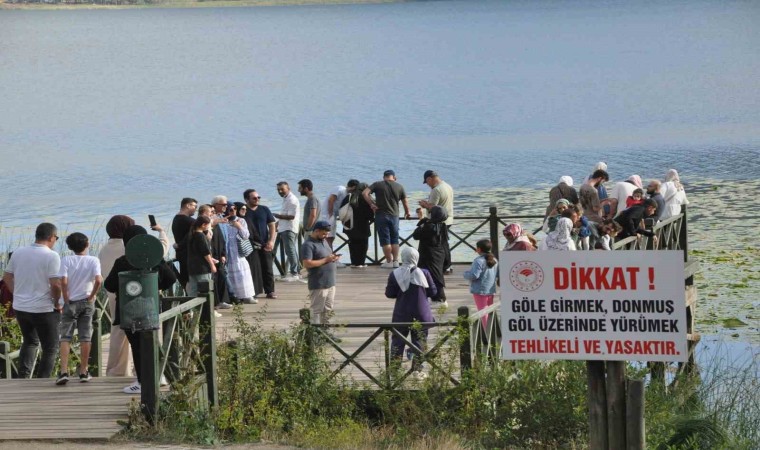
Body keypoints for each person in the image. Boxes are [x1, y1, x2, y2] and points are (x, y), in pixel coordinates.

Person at [104, 225, 177, 394]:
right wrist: (156, 285)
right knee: (152, 342)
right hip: (151, 308)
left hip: (128, 311)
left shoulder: (123, 261)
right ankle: (159, 376)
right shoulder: (155, 259)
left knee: (137, 346)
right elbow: (171, 278)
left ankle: (143, 381)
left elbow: (109, 285)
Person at [2, 223, 62, 379]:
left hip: (21, 307)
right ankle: (43, 380)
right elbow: (55, 284)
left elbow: (7, 277)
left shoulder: (18, 252)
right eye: (56, 237)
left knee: (30, 342)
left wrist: (17, 293)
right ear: (51, 237)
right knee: (50, 347)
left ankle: (23, 377)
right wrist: (57, 302)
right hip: (43, 308)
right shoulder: (51, 255)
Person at [56, 232, 102, 385]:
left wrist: (65, 297)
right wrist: (92, 295)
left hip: (70, 302)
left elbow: (63, 280)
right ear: (87, 244)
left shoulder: (66, 259)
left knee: (65, 336)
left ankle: (63, 371)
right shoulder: (93, 260)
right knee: (85, 336)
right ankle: (83, 371)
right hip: (86, 302)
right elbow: (98, 280)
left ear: (69, 247)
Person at [384, 247, 436, 379]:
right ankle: (417, 370)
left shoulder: (395, 274)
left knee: (397, 341)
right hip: (421, 313)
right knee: (420, 340)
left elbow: (389, 294)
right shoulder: (424, 273)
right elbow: (433, 292)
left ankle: (394, 371)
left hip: (402, 312)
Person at [100, 215, 135, 377]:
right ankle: (141, 368)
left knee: (117, 330)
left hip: (111, 292)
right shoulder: (128, 246)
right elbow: (159, 250)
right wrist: (163, 235)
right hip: (131, 293)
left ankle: (116, 369)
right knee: (137, 330)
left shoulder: (104, 249)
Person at [363, 169, 411, 268]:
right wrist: (407, 212)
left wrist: (371, 204)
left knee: (385, 239)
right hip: (394, 216)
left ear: (384, 177)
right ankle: (396, 261)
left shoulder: (377, 184)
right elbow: (405, 202)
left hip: (381, 215)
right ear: (394, 177)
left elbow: (364, 193)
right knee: (395, 239)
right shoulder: (400, 186)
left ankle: (388, 261)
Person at [300, 220, 341, 325]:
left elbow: (326, 256)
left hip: (330, 282)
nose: (326, 235)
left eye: (327, 233)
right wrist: (326, 260)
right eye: (324, 233)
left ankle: (326, 333)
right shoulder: (308, 245)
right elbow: (307, 263)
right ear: (316, 231)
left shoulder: (324, 241)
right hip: (318, 283)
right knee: (316, 311)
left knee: (328, 309)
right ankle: (315, 334)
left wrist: (333, 258)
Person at [243, 190, 277, 298]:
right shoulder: (243, 210)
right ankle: (254, 291)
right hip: (249, 244)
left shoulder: (264, 209)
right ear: (246, 199)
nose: (257, 199)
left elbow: (272, 225)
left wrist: (271, 241)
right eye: (254, 198)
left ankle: (270, 290)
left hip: (264, 243)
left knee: (267, 267)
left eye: (258, 197)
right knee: (253, 268)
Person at [419, 170, 454, 273]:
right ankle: (447, 265)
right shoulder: (448, 186)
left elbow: (433, 208)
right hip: (448, 218)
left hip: (438, 221)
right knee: (444, 243)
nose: (428, 185)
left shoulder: (436, 190)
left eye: (427, 182)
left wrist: (424, 204)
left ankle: (444, 265)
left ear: (430, 178)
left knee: (439, 244)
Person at [413, 205, 448, 306]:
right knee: (436, 275)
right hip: (440, 253)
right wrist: (422, 219)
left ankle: (440, 299)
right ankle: (435, 298)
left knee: (431, 276)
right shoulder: (442, 225)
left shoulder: (429, 226)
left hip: (429, 254)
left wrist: (422, 223)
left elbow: (416, 235)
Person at [463, 239, 498, 330]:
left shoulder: (478, 261)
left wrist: (465, 274)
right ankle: (493, 330)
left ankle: (487, 333)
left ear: (478, 249)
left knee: (482, 312)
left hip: (480, 290)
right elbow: (497, 274)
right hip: (491, 289)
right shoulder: (494, 260)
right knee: (490, 311)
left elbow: (474, 275)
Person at [224, 203, 256, 304]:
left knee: (242, 273)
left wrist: (239, 226)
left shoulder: (241, 220)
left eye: (235, 208)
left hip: (238, 251)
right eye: (230, 209)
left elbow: (246, 236)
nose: (233, 210)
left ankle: (247, 295)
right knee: (229, 274)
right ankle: (234, 297)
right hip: (227, 251)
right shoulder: (223, 221)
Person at [342, 179, 374, 267]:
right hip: (362, 225)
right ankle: (361, 263)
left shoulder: (348, 197)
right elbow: (370, 212)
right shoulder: (365, 198)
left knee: (352, 244)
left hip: (349, 224)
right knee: (363, 244)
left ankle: (353, 262)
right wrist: (372, 218)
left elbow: (341, 210)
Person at [274, 181, 301, 281]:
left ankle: (295, 273)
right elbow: (286, 213)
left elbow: (291, 216)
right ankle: (296, 271)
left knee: (290, 251)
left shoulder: (292, 199)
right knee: (291, 250)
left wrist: (277, 216)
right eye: (278, 190)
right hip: (285, 227)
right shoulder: (286, 198)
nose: (280, 191)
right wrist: (278, 223)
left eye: (282, 189)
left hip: (289, 228)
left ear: (288, 188)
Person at [185, 216, 218, 297]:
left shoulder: (191, 234)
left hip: (192, 267)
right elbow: (205, 252)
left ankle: (193, 309)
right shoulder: (200, 235)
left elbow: (196, 251)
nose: (209, 227)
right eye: (208, 225)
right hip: (202, 267)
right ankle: (206, 309)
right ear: (203, 225)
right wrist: (212, 265)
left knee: (193, 290)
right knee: (205, 289)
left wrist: (212, 259)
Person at [210, 197, 232, 308]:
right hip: (212, 253)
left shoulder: (221, 218)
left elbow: (224, 238)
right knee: (217, 277)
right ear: (215, 205)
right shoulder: (211, 220)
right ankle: (216, 302)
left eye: (226, 204)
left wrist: (224, 253)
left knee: (223, 276)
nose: (225, 206)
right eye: (223, 204)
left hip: (222, 251)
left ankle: (224, 299)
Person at [171, 197, 197, 290]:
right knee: (190, 280)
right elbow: (199, 226)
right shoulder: (187, 220)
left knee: (186, 279)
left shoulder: (176, 218)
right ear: (188, 205)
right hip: (187, 254)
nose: (196, 209)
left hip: (181, 253)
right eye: (194, 206)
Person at [321, 184, 347, 249]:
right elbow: (331, 200)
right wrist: (331, 214)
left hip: (333, 216)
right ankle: (328, 255)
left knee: (331, 237)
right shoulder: (340, 189)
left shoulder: (347, 194)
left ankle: (330, 255)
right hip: (327, 215)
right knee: (327, 237)